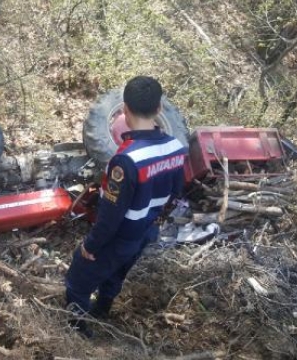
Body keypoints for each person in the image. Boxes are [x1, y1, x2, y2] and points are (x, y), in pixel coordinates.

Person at [65, 75, 187, 338]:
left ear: (123, 109)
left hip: (121, 236)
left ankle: (77, 331)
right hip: (146, 231)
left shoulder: (125, 159)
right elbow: (176, 193)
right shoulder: (176, 147)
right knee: (117, 273)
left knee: (77, 280)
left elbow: (110, 217)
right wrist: (152, 220)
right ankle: (102, 310)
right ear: (159, 109)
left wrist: (90, 246)